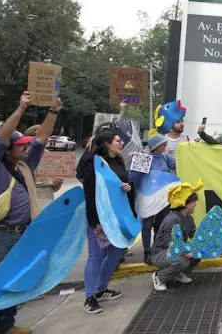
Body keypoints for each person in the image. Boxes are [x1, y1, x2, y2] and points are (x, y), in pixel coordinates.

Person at [0, 92, 62, 334]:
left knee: (14, 280)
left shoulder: (25, 164)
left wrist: (53, 112)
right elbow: (2, 137)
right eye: (19, 145)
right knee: (0, 280)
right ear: (6, 150)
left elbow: (41, 139)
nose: (24, 148)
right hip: (2, 235)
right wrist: (21, 107)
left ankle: (6, 325)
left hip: (24, 233)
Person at [80, 131, 134, 314]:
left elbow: (121, 186)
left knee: (116, 252)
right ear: (106, 144)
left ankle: (101, 289)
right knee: (96, 255)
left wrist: (128, 188)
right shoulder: (93, 164)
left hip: (117, 218)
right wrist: (95, 222)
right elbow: (89, 194)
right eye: (118, 141)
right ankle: (89, 296)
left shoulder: (118, 161)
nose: (121, 144)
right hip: (99, 219)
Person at [128, 134, 175, 265]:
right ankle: (147, 252)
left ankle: (157, 249)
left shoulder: (165, 158)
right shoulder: (144, 158)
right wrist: (137, 163)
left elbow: (178, 164)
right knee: (147, 225)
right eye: (163, 144)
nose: (166, 146)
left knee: (161, 225)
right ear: (156, 146)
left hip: (163, 198)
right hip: (148, 198)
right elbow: (132, 177)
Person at [151, 181, 203, 292]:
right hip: (160, 253)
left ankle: (177, 274)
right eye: (194, 201)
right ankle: (159, 276)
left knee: (198, 253)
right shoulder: (173, 219)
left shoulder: (189, 218)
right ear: (186, 203)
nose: (195, 204)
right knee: (182, 260)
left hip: (173, 250)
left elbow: (195, 236)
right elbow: (169, 243)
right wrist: (185, 252)